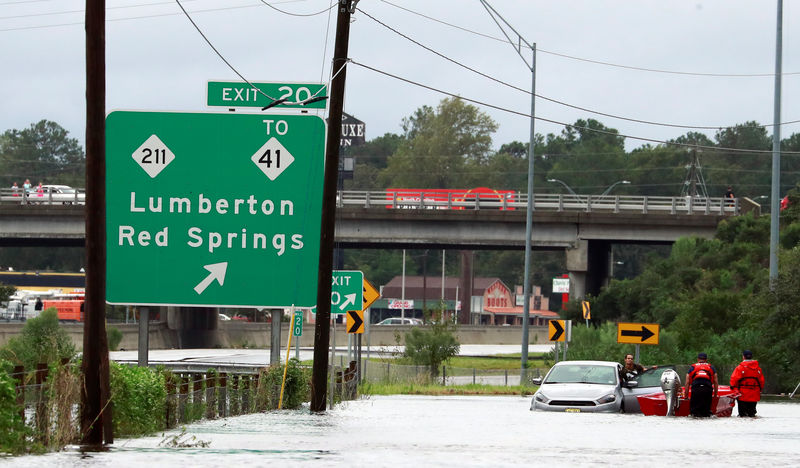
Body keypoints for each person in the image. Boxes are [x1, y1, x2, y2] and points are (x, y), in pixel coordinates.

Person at [730, 350, 764, 417]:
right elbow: (762, 381)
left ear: (743, 357)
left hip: (742, 394)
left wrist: (733, 388)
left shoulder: (740, 367)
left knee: (742, 415)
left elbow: (734, 380)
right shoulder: (758, 368)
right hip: (754, 394)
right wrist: (759, 390)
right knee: (752, 414)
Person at [684, 352, 719, 417]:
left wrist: (686, 396)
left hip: (696, 388)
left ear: (698, 359)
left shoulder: (692, 367)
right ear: (706, 359)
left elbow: (687, 383)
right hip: (707, 389)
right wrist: (715, 395)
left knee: (694, 414)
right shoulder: (711, 367)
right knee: (706, 413)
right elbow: (716, 382)